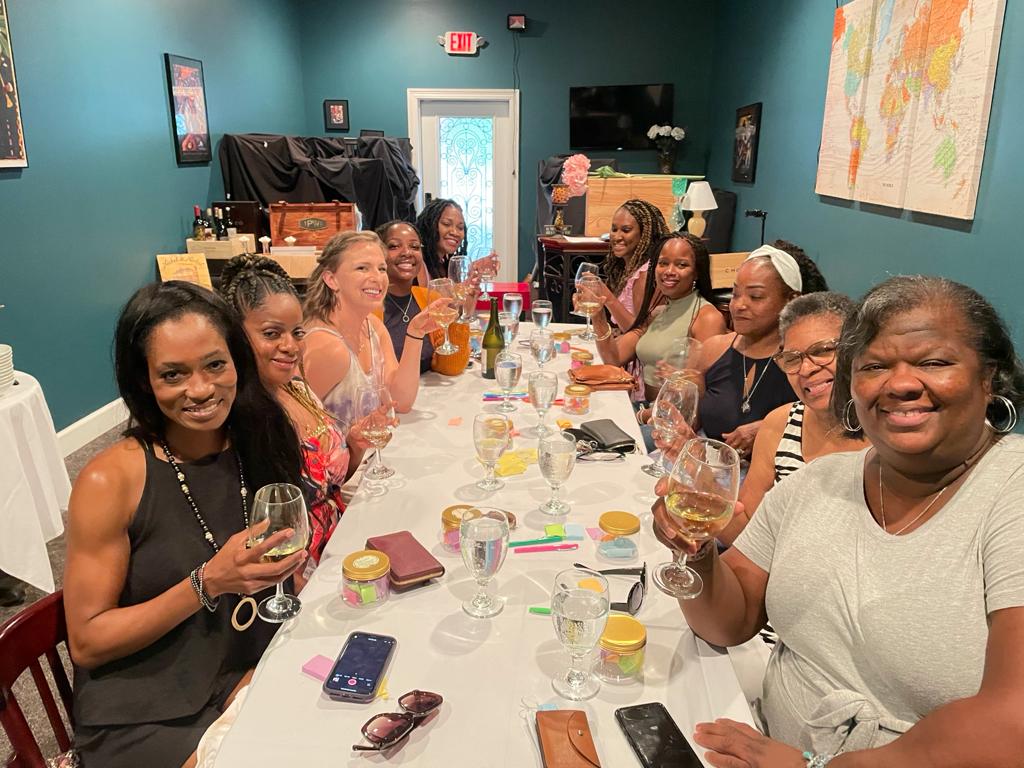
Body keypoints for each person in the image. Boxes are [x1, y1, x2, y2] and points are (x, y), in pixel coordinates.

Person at [653, 276, 1024, 766]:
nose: (902, 383)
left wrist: (810, 766)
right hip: (760, 731)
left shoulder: (1009, 491)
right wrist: (696, 551)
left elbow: (1009, 726)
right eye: (874, 366)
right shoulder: (819, 481)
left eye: (934, 362)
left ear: (988, 378)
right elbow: (729, 622)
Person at [65, 281, 306, 768]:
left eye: (215, 365)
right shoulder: (109, 478)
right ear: (144, 382)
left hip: (242, 665)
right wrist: (208, 583)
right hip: (145, 709)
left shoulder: (258, 437)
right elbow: (87, 642)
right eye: (173, 374)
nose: (200, 390)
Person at [218, 254, 370, 574]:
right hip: (301, 572)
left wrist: (354, 446)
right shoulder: (237, 418)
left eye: (297, 332)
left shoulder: (297, 387)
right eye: (272, 333)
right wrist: (293, 584)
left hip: (342, 541)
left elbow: (330, 484)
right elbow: (252, 534)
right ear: (235, 335)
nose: (291, 346)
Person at [720, 292, 867, 544]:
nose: (806, 369)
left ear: (857, 347)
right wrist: (696, 495)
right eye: (792, 358)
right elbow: (745, 531)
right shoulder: (780, 424)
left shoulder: (888, 436)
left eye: (822, 350)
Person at [695, 241, 828, 457]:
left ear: (791, 300)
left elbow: (826, 422)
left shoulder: (805, 365)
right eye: (735, 294)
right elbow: (693, 421)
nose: (739, 305)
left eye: (755, 297)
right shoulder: (714, 349)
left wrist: (768, 428)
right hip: (706, 463)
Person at [302, 231, 443, 427]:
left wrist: (415, 334)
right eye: (362, 268)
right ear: (331, 279)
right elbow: (293, 428)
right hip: (339, 457)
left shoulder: (372, 326)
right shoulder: (328, 347)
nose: (377, 278)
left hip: (367, 455)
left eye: (382, 269)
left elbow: (400, 401)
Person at [589, 232, 727, 401]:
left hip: (671, 421)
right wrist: (597, 315)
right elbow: (613, 359)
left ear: (697, 273)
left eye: (681, 265)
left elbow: (706, 394)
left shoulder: (707, 318)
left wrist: (646, 415)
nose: (669, 271)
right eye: (663, 263)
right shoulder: (659, 312)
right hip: (645, 409)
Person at [594, 199, 670, 330]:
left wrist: (607, 297)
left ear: (645, 234)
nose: (617, 237)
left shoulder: (645, 274)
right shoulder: (628, 269)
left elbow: (639, 331)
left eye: (626, 230)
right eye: (614, 229)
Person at [376, 220, 434, 373]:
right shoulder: (368, 305)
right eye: (394, 246)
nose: (407, 252)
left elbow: (449, 367)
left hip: (430, 393)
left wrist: (460, 318)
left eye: (414, 247)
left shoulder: (430, 299)